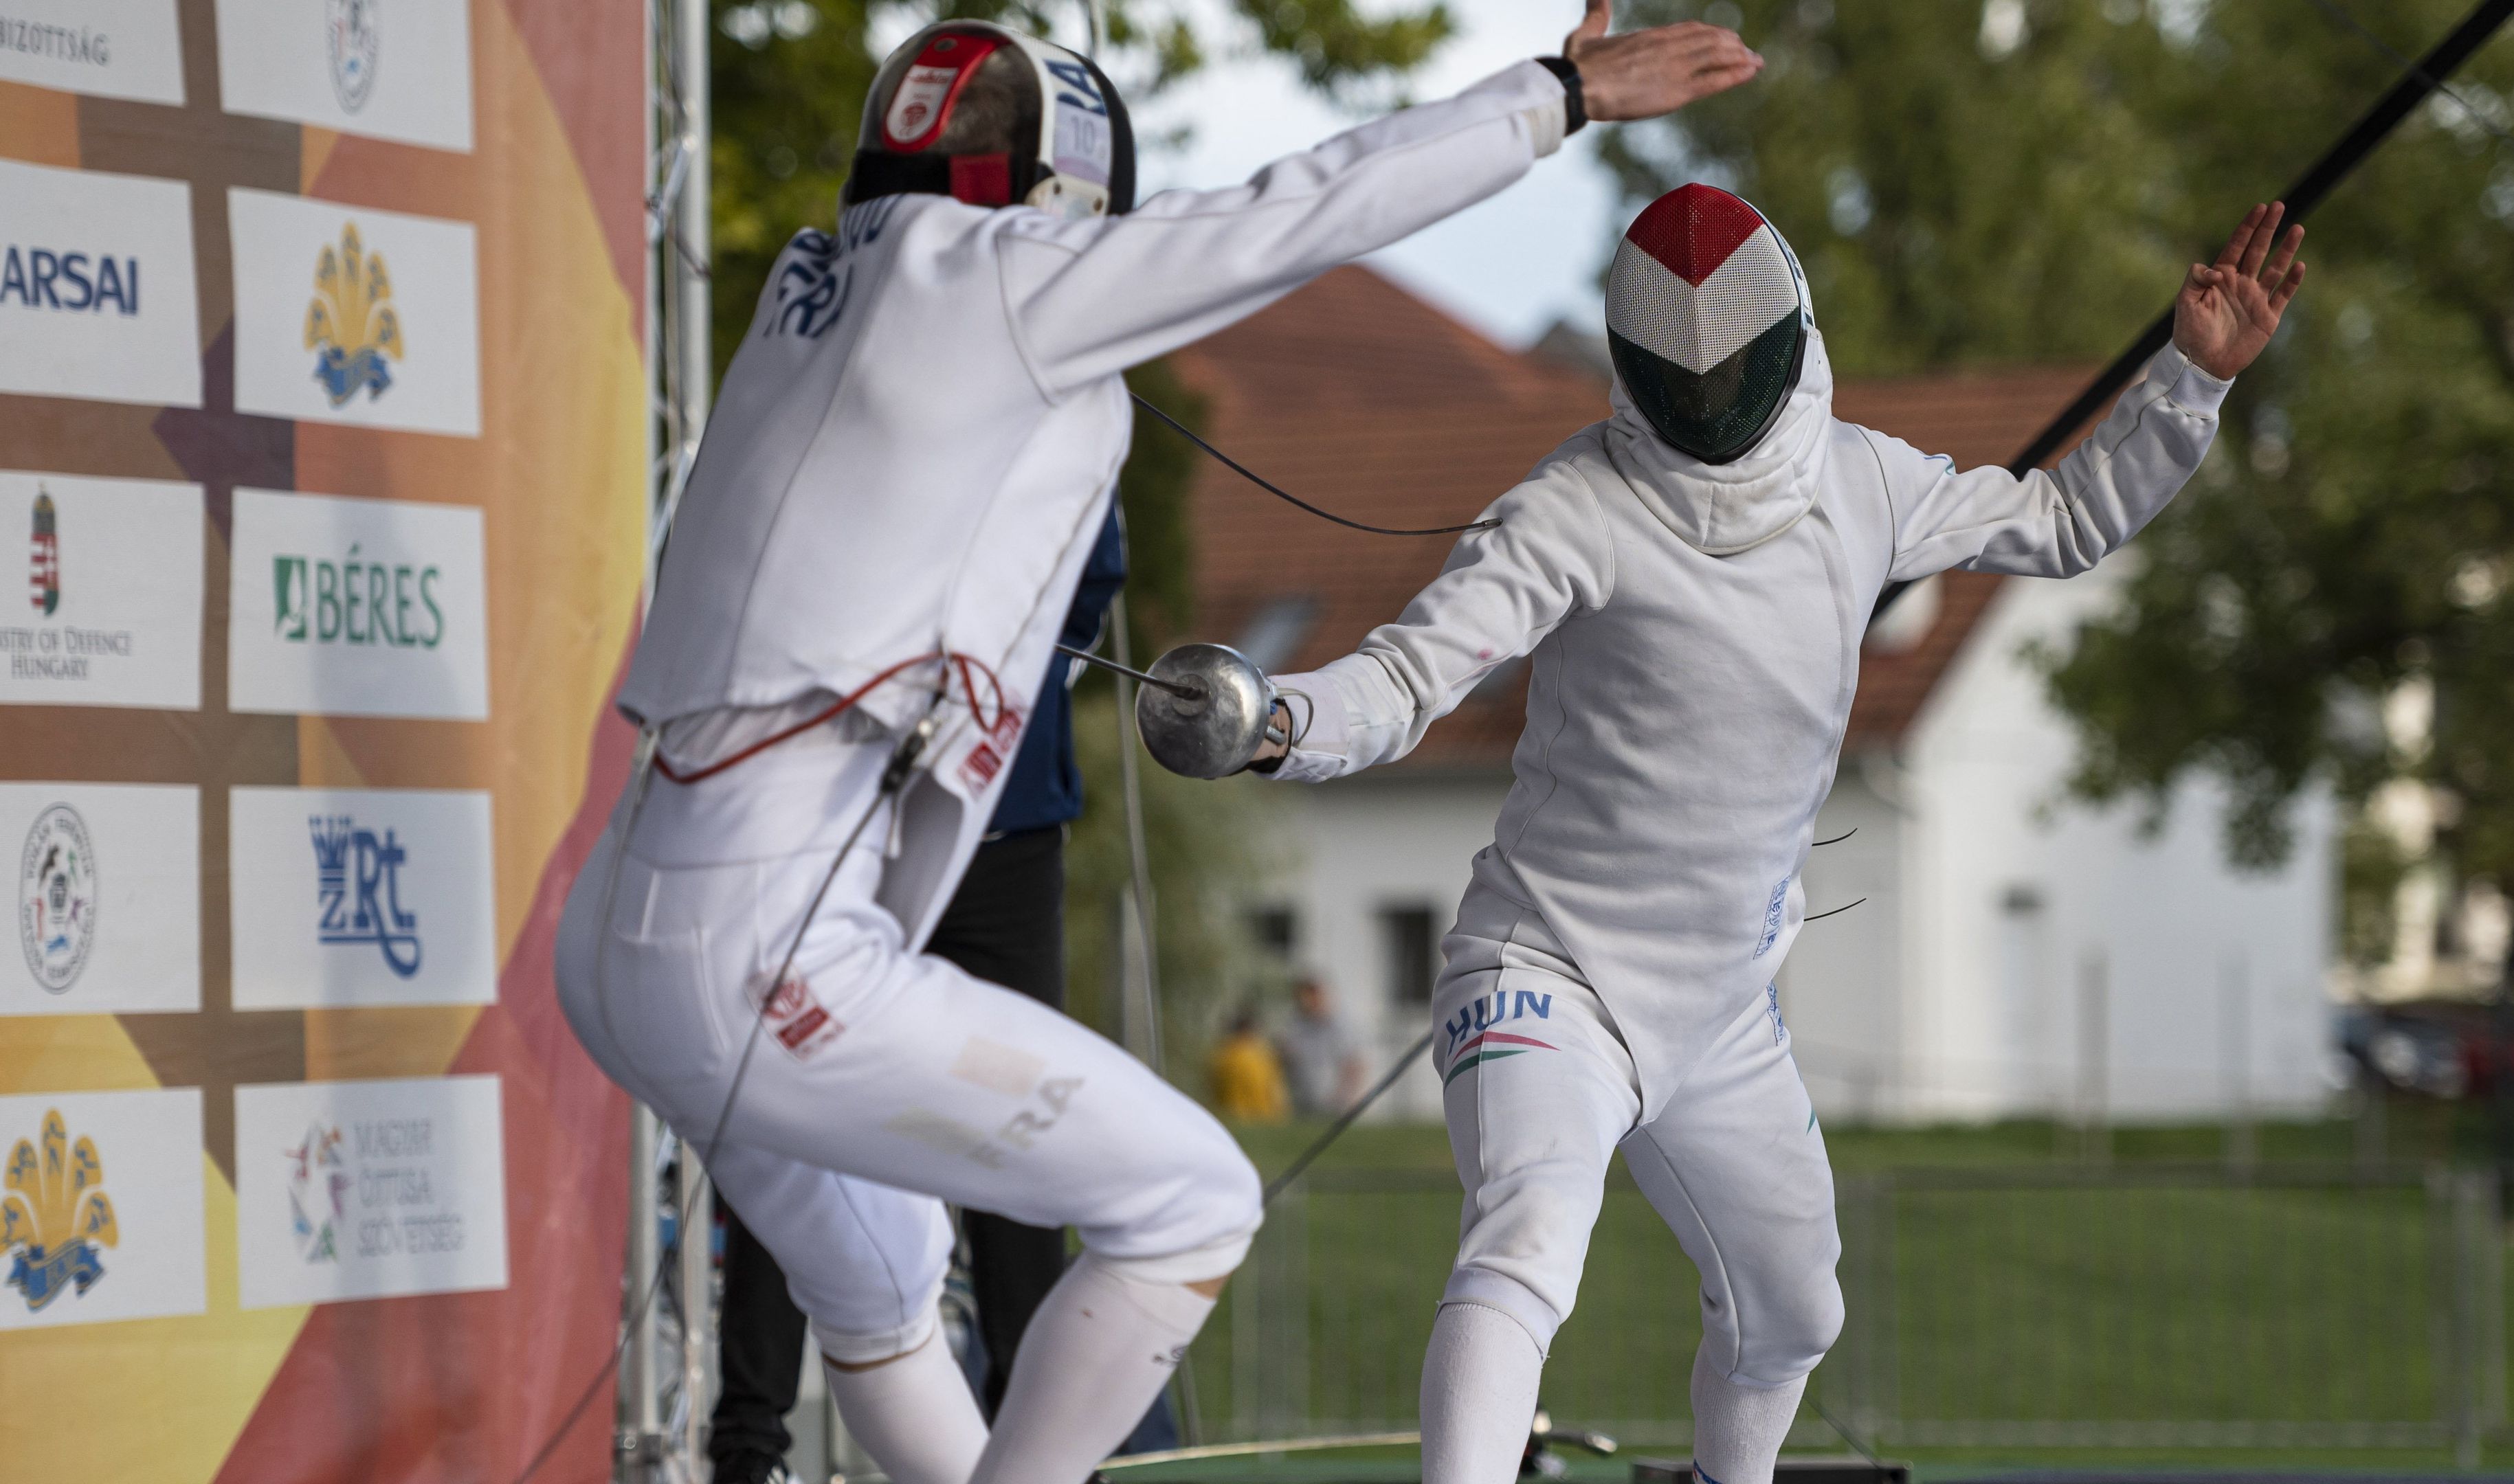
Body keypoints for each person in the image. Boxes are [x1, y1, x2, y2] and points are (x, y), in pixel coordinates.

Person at [553, 7, 1766, 1481]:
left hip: (621, 929)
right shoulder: (990, 280)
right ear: (1063, 188)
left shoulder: (817, 291)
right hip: (763, 950)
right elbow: (1296, 212)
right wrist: (1557, 95)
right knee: (1192, 1203)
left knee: (882, 1289)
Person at [1243, 188, 2308, 1482]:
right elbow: (1408, 679)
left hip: (1724, 1009)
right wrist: (1282, 714)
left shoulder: (1863, 482)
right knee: (1525, 1243)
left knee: (1796, 1310)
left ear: (1784, 339)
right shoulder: (1573, 508)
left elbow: (2067, 520)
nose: (1714, 397)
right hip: (1549, 976)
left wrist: (2190, 381)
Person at [705, 520, 1180, 1483]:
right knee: (785, 1118)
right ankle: (749, 1449)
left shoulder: (1073, 401)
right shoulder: (856, 380)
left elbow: (1090, 572)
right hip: (845, 816)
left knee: (1019, 1137)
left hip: (1004, 828)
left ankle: (1043, 1449)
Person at [1277, 974, 1365, 1117]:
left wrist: (1345, 1097)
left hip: (1334, 1103)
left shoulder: (1339, 1025)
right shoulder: (1297, 1024)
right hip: (1304, 1101)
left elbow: (1354, 1064)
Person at [1206, 1010, 1290, 1124]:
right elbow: (1274, 1089)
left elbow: (1213, 1088)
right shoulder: (1263, 1055)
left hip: (1232, 1117)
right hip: (1263, 1116)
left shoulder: (1222, 1054)